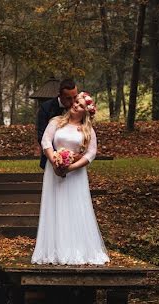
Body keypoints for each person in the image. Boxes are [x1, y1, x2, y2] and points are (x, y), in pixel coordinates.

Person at [31, 91, 109, 265]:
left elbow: (91, 154)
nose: (75, 105)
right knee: (55, 206)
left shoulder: (88, 131)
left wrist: (71, 167)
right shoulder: (56, 122)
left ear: (86, 112)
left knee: (74, 207)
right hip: (54, 172)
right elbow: (46, 142)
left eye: (80, 105)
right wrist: (55, 162)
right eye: (75, 102)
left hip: (76, 176)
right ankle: (53, 249)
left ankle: (77, 249)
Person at [36, 79, 80, 172]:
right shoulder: (46, 108)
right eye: (68, 98)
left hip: (76, 161)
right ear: (60, 95)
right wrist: (59, 158)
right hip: (52, 159)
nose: (72, 102)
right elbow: (42, 136)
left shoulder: (79, 108)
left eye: (75, 97)